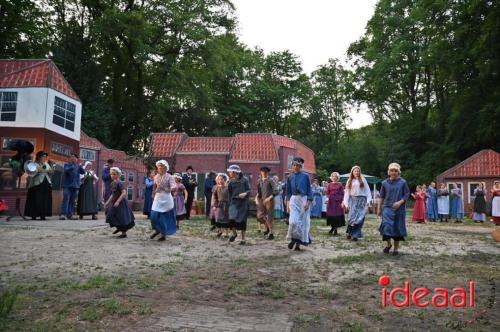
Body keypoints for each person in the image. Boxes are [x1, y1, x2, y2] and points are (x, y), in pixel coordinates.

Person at [378, 163, 410, 255]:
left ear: (398, 172)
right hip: (387, 207)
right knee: (386, 226)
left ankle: (396, 249)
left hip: (399, 209)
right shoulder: (384, 183)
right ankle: (388, 244)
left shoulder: (403, 182)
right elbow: (381, 196)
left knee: (397, 228)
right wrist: (379, 208)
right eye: (392, 170)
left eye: (396, 171)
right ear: (389, 172)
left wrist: (400, 202)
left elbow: (407, 194)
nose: (394, 172)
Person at [285, 157, 312, 251]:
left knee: (302, 223)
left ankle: (297, 243)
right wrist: (287, 204)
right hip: (293, 199)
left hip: (303, 200)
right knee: (293, 222)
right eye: (294, 165)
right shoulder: (290, 177)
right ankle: (293, 238)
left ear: (300, 166)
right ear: (292, 166)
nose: (296, 167)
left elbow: (309, 190)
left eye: (298, 165)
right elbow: (287, 192)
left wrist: (308, 202)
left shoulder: (305, 176)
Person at [342, 166, 372, 241]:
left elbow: (368, 190)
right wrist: (346, 203)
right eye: (355, 171)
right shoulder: (349, 180)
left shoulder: (363, 179)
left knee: (360, 218)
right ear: (352, 172)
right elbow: (347, 192)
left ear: (359, 172)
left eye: (358, 171)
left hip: (362, 200)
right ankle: (350, 232)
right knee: (351, 218)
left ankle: (355, 235)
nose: (356, 172)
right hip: (352, 200)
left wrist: (368, 200)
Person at [150, 160, 177, 241]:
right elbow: (154, 185)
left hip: (166, 198)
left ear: (166, 168)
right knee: (153, 216)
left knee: (163, 217)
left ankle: (163, 234)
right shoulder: (156, 177)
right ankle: (157, 229)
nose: (160, 168)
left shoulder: (170, 177)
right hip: (158, 198)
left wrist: (168, 189)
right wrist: (153, 193)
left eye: (162, 166)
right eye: (159, 166)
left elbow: (174, 187)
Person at [104, 167, 135, 238]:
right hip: (113, 202)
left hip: (120, 203)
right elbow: (112, 194)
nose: (112, 176)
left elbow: (124, 193)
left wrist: (118, 201)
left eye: (114, 174)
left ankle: (123, 233)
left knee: (121, 217)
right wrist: (107, 202)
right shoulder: (112, 183)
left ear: (118, 175)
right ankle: (119, 228)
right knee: (110, 215)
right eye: (111, 174)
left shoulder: (119, 183)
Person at [24, 151, 53, 220]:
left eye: (45, 157)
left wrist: (50, 171)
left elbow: (51, 171)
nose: (45, 158)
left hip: (46, 183)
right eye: (43, 156)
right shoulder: (34, 164)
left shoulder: (46, 164)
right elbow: (31, 174)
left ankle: (43, 215)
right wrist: (38, 171)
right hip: (37, 184)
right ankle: (34, 215)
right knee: (36, 199)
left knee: (45, 199)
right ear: (39, 157)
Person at [227, 165, 250, 245]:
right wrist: (229, 203)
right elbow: (229, 193)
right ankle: (234, 233)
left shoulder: (245, 180)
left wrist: (245, 193)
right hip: (233, 202)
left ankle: (243, 239)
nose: (229, 173)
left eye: (230, 172)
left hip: (243, 203)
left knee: (242, 221)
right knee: (231, 219)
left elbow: (249, 190)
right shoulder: (230, 182)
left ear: (235, 172)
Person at [59, 154, 85, 220]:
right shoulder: (66, 165)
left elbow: (83, 172)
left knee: (72, 201)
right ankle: (63, 214)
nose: (72, 158)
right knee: (66, 199)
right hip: (67, 186)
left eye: (74, 157)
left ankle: (69, 215)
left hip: (75, 186)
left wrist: (81, 166)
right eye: (71, 157)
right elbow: (66, 171)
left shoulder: (78, 166)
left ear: (77, 159)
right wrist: (73, 166)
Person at [256, 166, 276, 240]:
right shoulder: (259, 181)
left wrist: (269, 198)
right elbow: (259, 192)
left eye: (265, 172)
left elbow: (275, 191)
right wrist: (256, 198)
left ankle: (271, 233)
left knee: (270, 217)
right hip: (262, 200)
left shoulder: (271, 181)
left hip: (270, 200)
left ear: (268, 173)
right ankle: (267, 227)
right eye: (262, 171)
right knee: (260, 216)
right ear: (260, 172)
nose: (264, 173)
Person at [212, 173, 230, 238]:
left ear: (224, 180)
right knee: (218, 218)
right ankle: (220, 230)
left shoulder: (228, 187)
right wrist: (214, 205)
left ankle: (226, 232)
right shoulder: (216, 188)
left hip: (227, 204)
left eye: (221, 179)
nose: (220, 181)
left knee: (226, 219)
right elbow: (214, 197)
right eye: (219, 179)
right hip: (219, 204)